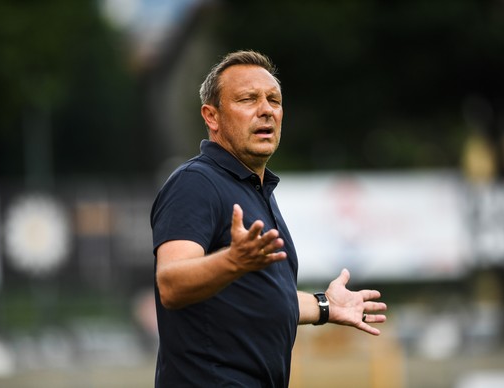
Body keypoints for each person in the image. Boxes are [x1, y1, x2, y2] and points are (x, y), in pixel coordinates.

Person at [150, 50, 387, 387]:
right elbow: (171, 284)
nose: (266, 110)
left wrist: (325, 305)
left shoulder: (256, 189)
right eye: (248, 99)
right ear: (211, 116)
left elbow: (262, 298)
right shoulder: (196, 182)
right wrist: (232, 261)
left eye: (273, 100)